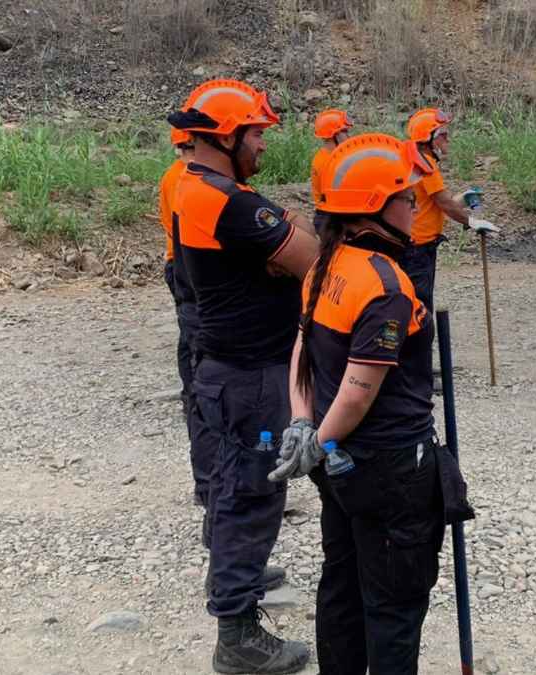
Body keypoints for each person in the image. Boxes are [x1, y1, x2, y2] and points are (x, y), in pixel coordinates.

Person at [268, 133, 450, 674]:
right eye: (406, 197)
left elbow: (301, 347)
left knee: (343, 583)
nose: (415, 205)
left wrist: (305, 426)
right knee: (393, 606)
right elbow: (360, 387)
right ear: (378, 206)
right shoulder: (387, 286)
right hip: (389, 468)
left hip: (340, 466)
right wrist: (318, 437)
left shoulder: (327, 263)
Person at [168, 78, 319, 674]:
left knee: (234, 488)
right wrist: (291, 232)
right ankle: (237, 633)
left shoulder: (197, 187)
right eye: (255, 133)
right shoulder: (227, 201)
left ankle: (240, 585)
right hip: (251, 375)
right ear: (225, 136)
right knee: (251, 496)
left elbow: (290, 244)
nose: (262, 144)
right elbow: (309, 256)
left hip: (227, 367)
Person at [402, 107, 498, 312]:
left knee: (415, 299)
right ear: (429, 138)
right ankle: (420, 343)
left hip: (416, 243)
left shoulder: (418, 161)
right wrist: (471, 221)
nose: (448, 139)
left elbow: (436, 202)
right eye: (443, 135)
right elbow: (444, 203)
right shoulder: (425, 164)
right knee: (420, 302)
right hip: (418, 247)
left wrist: (462, 200)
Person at [158, 127, 203, 504]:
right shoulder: (184, 178)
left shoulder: (175, 176)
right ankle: (207, 484)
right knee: (195, 350)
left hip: (181, 266)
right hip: (189, 269)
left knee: (190, 345)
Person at [310, 109, 353, 233]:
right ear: (333, 135)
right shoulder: (327, 162)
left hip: (331, 215)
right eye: (344, 131)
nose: (349, 136)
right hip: (330, 219)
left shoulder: (333, 156)